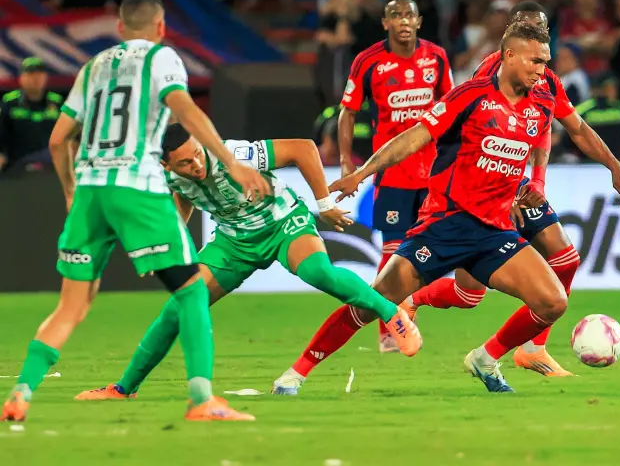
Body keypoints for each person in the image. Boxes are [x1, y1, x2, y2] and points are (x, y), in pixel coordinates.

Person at [273, 21, 620, 395]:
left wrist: (614, 166)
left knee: (552, 302)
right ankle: (295, 374)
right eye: (534, 62)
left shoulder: (544, 96)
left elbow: (578, 131)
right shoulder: (471, 95)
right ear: (508, 56)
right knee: (371, 304)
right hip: (444, 224)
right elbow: (415, 136)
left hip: (494, 231)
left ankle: (485, 357)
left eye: (545, 62)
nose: (541, 71)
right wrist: (363, 172)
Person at [0, 0, 270, 423]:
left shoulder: (92, 67)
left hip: (90, 189)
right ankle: (202, 399)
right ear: (161, 28)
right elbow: (185, 110)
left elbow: (57, 140)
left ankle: (21, 392)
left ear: (120, 27)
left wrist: (71, 191)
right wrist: (231, 160)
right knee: (192, 290)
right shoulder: (162, 60)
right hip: (137, 185)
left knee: (71, 307)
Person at [73, 124, 420, 401]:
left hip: (283, 222)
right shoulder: (167, 177)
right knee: (178, 307)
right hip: (234, 242)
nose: (196, 164)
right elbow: (183, 198)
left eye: (196, 154)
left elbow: (302, 148)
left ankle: (392, 315)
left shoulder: (231, 154)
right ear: (167, 165)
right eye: (185, 163)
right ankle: (123, 388)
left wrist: (324, 202)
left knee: (318, 272)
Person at [332, 0, 453, 354]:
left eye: (409, 15)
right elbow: (347, 111)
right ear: (385, 23)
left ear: (418, 22)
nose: (403, 21)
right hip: (393, 174)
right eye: (395, 15)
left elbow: (451, 106)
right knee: (393, 250)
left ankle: (407, 310)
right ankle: (389, 329)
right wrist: (345, 160)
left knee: (430, 250)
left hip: (432, 172)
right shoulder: (368, 62)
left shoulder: (437, 58)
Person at [0, 57, 63, 172]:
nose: (35, 78)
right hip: (17, 166)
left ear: (45, 77)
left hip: (52, 167)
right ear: (21, 78)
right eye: (30, 74)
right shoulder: (9, 102)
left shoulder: (57, 101)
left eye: (39, 74)